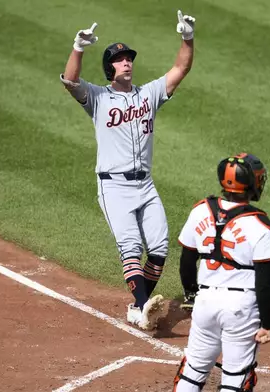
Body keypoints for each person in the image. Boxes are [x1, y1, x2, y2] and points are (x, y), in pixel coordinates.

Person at [60, 10, 196, 329]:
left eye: (129, 58)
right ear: (110, 67)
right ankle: (140, 304)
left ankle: (138, 307)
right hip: (114, 187)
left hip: (145, 186)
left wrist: (187, 37)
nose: (127, 62)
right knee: (131, 247)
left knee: (160, 248)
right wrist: (78, 47)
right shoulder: (97, 98)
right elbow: (70, 80)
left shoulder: (149, 95)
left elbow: (181, 67)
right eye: (120, 59)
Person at [173, 153, 270, 392]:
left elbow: (187, 262)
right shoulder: (260, 224)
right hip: (240, 309)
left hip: (205, 302)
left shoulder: (200, 211)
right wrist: (267, 324)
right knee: (236, 379)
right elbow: (264, 282)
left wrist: (191, 296)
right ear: (251, 184)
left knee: (192, 372)